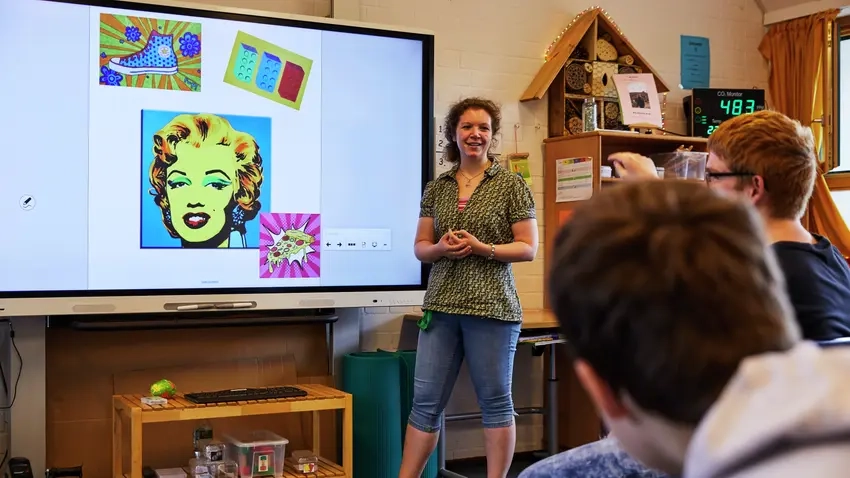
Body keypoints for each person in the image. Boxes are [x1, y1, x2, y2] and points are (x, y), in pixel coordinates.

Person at [520, 109, 850, 477]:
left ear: (754, 188)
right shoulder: (829, 258)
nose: (705, 187)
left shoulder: (744, 276)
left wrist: (654, 194)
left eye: (712, 176)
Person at [399, 97, 538, 478]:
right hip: (441, 307)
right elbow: (420, 249)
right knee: (424, 405)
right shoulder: (437, 187)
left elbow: (528, 247)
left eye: (483, 128)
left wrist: (483, 248)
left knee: (495, 402)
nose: (475, 134)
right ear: (453, 134)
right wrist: (441, 248)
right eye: (467, 127)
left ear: (491, 137)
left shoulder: (511, 184)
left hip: (492, 308)